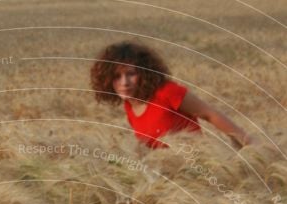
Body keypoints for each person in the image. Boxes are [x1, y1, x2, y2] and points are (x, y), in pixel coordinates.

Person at [90, 41, 259, 150]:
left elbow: (210, 113)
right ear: (106, 80)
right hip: (168, 179)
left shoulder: (167, 92)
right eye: (116, 76)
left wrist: (250, 145)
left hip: (196, 169)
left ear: (144, 72)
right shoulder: (130, 106)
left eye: (131, 74)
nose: (124, 82)